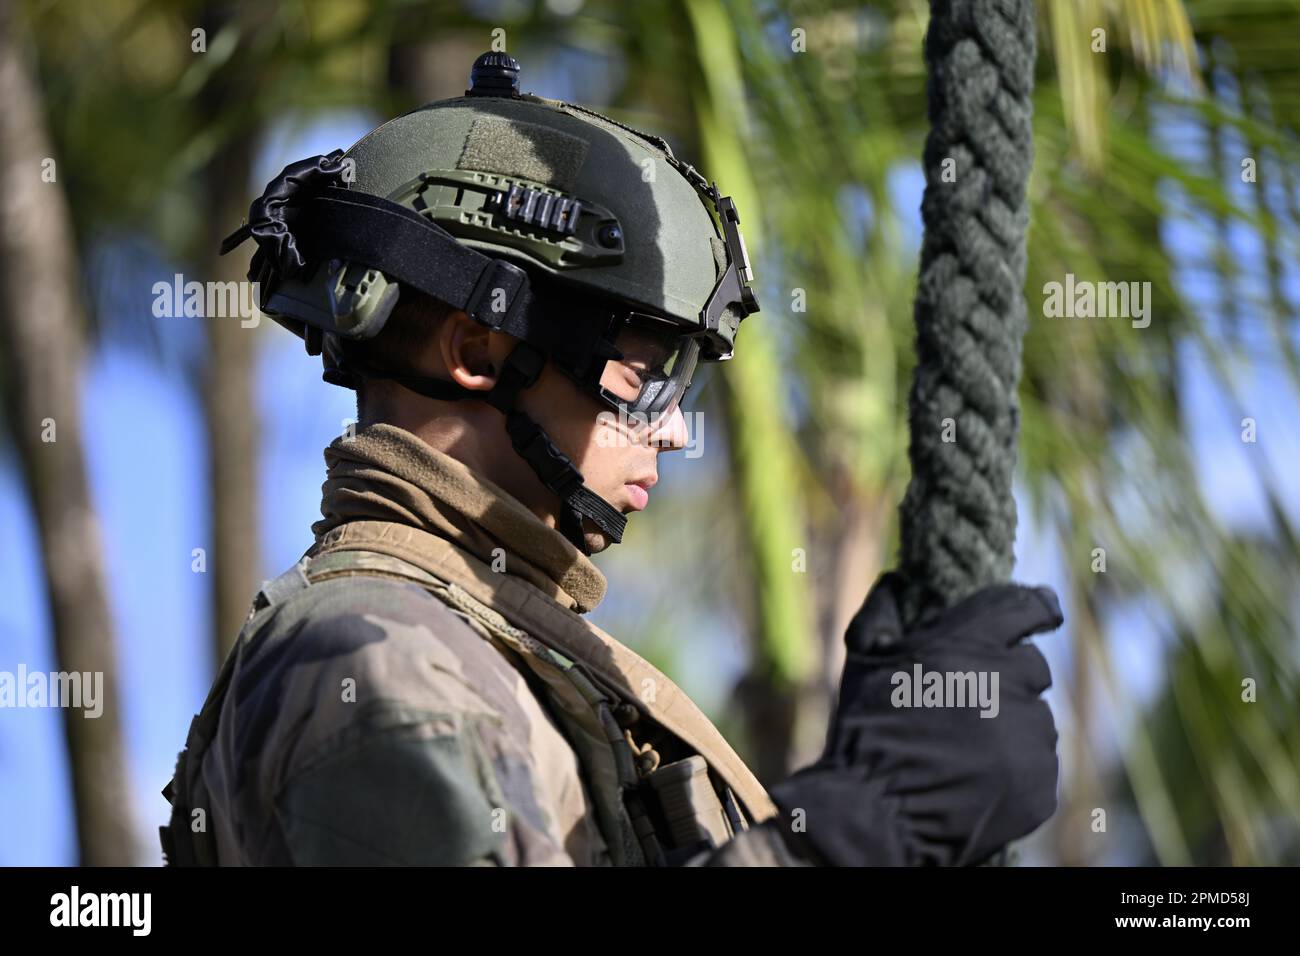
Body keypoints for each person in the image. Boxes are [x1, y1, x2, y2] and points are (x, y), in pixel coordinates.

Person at [161, 51, 1063, 867]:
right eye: (648, 377)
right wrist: (862, 828)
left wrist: (870, 766)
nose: (674, 431)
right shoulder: (377, 664)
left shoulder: (486, 641)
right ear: (479, 351)